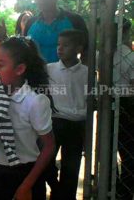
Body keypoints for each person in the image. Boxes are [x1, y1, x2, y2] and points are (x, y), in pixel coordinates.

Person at [0, 37, 55, 200]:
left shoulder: (34, 101)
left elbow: (49, 146)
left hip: (26, 174)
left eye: (0, 65)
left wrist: (26, 186)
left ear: (19, 69)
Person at [47, 29, 88, 200]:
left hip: (77, 125)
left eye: (66, 45)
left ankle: (66, 196)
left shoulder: (87, 73)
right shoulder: (49, 69)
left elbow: (90, 97)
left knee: (71, 168)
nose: (60, 48)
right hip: (54, 123)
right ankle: (56, 189)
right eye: (58, 44)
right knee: (46, 163)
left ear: (79, 48)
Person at [24, 0, 89, 64]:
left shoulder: (75, 20)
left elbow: (87, 51)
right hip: (38, 76)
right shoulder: (30, 24)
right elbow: (23, 53)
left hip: (68, 76)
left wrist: (83, 74)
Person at [113, 18, 134, 200]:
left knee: (109, 149)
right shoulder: (130, 56)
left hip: (110, 102)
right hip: (128, 104)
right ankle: (124, 191)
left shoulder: (103, 55)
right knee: (128, 150)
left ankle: (112, 187)